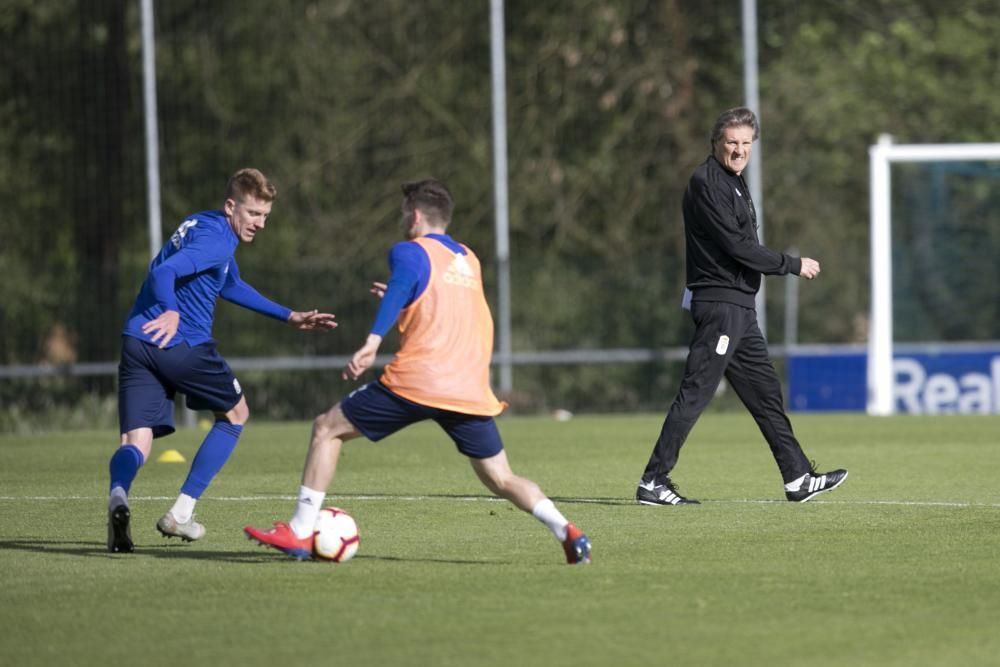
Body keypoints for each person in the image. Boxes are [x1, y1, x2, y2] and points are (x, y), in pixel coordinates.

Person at [244, 178, 591, 564]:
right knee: (501, 478)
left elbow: (402, 287)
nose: (400, 219)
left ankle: (300, 530)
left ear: (416, 214)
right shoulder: (468, 259)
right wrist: (404, 298)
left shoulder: (409, 251)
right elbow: (438, 303)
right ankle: (568, 531)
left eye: (402, 212)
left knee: (327, 428)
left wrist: (373, 340)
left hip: (419, 382)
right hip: (469, 390)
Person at [107, 168, 338, 553]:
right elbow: (165, 271)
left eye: (265, 216)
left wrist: (288, 315)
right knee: (236, 414)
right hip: (180, 343)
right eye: (253, 214)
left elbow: (229, 284)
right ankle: (181, 513)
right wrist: (172, 309)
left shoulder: (203, 223)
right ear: (232, 206)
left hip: (137, 340)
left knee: (136, 439)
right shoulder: (217, 241)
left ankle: (118, 495)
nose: (260, 224)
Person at [635, 107, 847, 506]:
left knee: (766, 393)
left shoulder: (733, 181)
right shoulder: (706, 182)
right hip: (720, 306)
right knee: (696, 391)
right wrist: (791, 264)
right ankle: (653, 480)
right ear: (716, 142)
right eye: (732, 142)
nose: (739, 150)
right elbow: (738, 247)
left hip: (738, 309)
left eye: (746, 143)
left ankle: (797, 476)